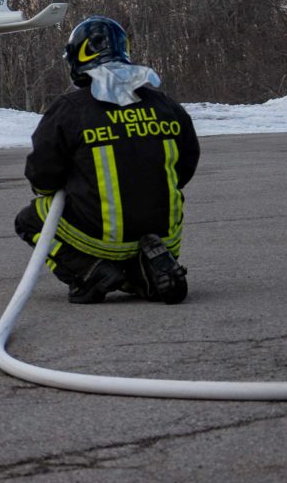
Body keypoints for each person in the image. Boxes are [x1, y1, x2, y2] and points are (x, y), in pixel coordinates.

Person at [14, 17, 198, 304]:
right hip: (164, 234)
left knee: (29, 220)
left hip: (101, 239)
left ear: (77, 56)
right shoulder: (166, 105)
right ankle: (143, 273)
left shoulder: (69, 110)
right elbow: (185, 168)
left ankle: (90, 272)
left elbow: (42, 177)